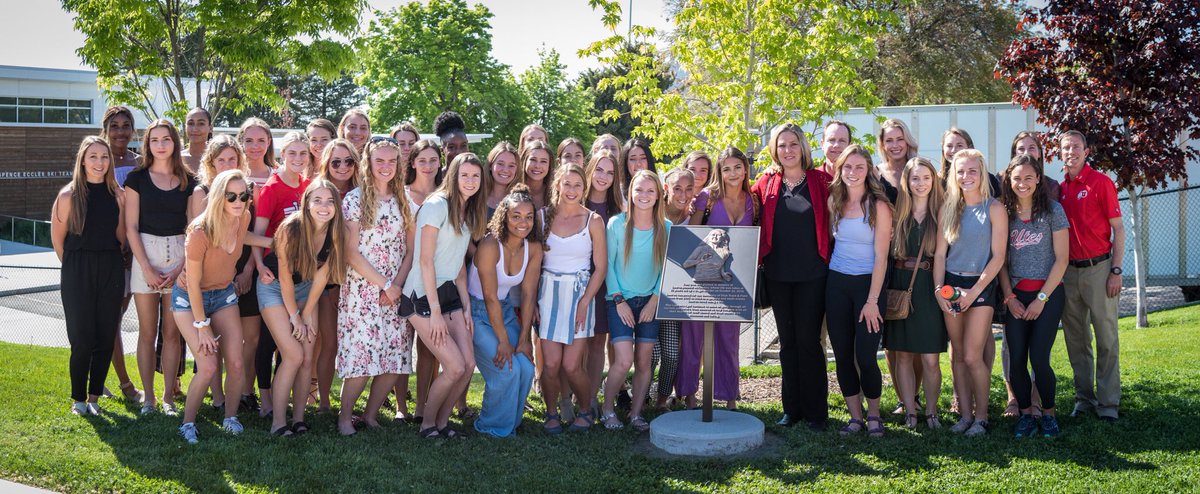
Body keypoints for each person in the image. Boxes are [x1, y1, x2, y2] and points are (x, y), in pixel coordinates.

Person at [171, 169, 272, 444]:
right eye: (231, 196)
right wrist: (202, 326)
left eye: (244, 196)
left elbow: (242, 237)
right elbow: (193, 284)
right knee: (207, 366)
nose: (239, 201)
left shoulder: (243, 217)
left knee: (236, 363)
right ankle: (187, 423)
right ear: (218, 196)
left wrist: (272, 242)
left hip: (223, 294)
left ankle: (230, 417)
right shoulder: (200, 231)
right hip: (190, 299)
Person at [402, 152, 489, 439]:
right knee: (453, 366)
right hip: (421, 296)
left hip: (450, 293)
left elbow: (459, 265)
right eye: (465, 175)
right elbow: (425, 261)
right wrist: (436, 312)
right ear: (453, 176)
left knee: (468, 365)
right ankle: (427, 424)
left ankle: (442, 423)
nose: (470, 181)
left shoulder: (469, 210)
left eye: (475, 176)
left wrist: (466, 307)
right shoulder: (436, 205)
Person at [751, 123, 833, 430]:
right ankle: (791, 409)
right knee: (787, 344)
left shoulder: (821, 181)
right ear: (774, 149)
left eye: (793, 144)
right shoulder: (766, 183)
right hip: (778, 275)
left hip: (813, 275)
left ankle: (816, 413)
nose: (788, 150)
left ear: (803, 147)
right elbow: (742, 206)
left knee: (809, 342)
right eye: (782, 145)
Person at [337, 138, 417, 436]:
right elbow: (350, 252)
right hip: (363, 290)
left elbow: (410, 250)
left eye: (391, 161)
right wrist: (384, 284)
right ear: (368, 163)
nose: (386, 166)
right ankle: (345, 417)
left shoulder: (405, 200)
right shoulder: (355, 200)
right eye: (379, 160)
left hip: (396, 290)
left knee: (394, 357)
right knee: (362, 356)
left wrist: (396, 286)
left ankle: (370, 416)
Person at [259, 179, 346, 436]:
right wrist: (295, 317)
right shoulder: (290, 229)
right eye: (317, 200)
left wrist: (306, 313)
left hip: (307, 289)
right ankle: (278, 422)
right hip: (275, 288)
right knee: (294, 355)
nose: (324, 207)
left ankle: (298, 419)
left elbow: (322, 277)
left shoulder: (337, 232)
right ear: (306, 203)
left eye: (330, 201)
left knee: (308, 357)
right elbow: (285, 277)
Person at [124, 119, 197, 416]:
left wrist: (182, 267)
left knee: (171, 333)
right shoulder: (137, 178)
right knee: (146, 332)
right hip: (145, 254)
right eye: (154, 140)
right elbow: (130, 227)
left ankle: (168, 398)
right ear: (147, 144)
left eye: (166, 139)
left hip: (179, 255)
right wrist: (146, 268)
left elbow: (193, 228)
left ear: (175, 143)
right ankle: (149, 399)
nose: (160, 145)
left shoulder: (188, 180)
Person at [934, 148, 1008, 436]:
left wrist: (973, 292)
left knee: (973, 357)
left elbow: (998, 257)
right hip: (951, 285)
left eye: (972, 171)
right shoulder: (948, 208)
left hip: (981, 287)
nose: (966, 176)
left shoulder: (995, 208)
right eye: (960, 171)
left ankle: (981, 418)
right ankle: (965, 416)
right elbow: (940, 255)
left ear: (981, 173)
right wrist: (938, 289)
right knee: (958, 355)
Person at [51, 136, 126, 416]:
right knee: (81, 337)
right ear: (82, 160)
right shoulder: (68, 196)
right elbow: (58, 241)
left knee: (106, 335)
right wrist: (77, 267)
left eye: (104, 157)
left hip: (110, 266)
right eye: (93, 156)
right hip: (77, 269)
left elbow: (121, 237)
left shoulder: (118, 196)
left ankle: (94, 397)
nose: (99, 162)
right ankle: (79, 399)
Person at [680, 146, 758, 410]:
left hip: (732, 281)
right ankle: (689, 394)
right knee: (693, 337)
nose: (732, 173)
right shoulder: (708, 197)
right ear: (720, 172)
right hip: (701, 280)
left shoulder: (752, 200)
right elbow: (691, 234)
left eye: (737, 167)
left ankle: (729, 396)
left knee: (728, 338)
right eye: (726, 169)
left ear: (745, 169)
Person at [998, 154, 1069, 437]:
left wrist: (1041, 299)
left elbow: (1062, 260)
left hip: (1048, 295)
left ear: (1038, 178)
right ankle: (1026, 414)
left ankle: (1048, 414)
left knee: (1039, 358)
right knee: (1016, 360)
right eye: (1017, 178)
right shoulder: (1004, 214)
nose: (1022, 183)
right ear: (1009, 181)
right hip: (1016, 297)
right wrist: (1009, 297)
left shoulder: (1053, 211)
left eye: (1028, 177)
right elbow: (1001, 263)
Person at [825, 145, 893, 437]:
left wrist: (872, 301)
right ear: (840, 170)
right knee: (842, 355)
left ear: (868, 171)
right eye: (847, 167)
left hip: (868, 286)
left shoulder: (878, 206)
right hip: (837, 284)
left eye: (859, 167)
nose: (852, 172)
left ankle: (874, 415)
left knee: (865, 357)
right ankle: (855, 417)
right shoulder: (834, 200)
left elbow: (882, 257)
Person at [1057, 130, 1123, 422]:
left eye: (1075, 147)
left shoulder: (1101, 182)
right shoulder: (1060, 189)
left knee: (1106, 339)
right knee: (1076, 340)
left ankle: (1108, 404)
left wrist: (1116, 270)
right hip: (1069, 273)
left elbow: (1118, 229)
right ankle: (1084, 399)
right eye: (1065, 148)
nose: (1070, 152)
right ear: (1060, 153)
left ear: (1086, 152)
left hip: (1099, 270)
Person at [536, 164, 607, 433]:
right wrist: (532, 304)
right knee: (551, 364)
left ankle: (586, 410)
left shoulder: (593, 221)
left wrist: (585, 302)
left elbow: (600, 268)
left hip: (580, 296)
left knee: (571, 365)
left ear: (584, 188)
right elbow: (534, 264)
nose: (572, 190)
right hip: (548, 294)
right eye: (567, 184)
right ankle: (551, 413)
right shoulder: (542, 217)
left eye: (578, 185)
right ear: (557, 184)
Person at [469, 184, 542, 437]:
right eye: (516, 216)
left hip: (506, 311)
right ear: (504, 216)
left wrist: (524, 340)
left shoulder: (533, 248)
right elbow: (489, 297)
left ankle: (510, 422)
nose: (523, 223)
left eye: (529, 217)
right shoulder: (490, 245)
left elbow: (529, 294)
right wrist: (503, 341)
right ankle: (490, 426)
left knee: (527, 368)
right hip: (477, 313)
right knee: (507, 369)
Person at [601, 170, 671, 432]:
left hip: (650, 302)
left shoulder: (666, 227)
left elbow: (667, 269)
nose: (644, 195)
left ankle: (636, 413)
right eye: (639, 189)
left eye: (650, 191)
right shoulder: (617, 224)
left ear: (658, 195)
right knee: (622, 360)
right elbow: (608, 265)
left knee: (644, 361)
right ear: (630, 193)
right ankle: (607, 410)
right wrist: (619, 300)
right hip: (619, 301)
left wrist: (655, 300)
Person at [883, 157, 948, 429]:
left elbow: (941, 255)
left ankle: (931, 412)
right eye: (915, 178)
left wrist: (939, 289)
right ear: (906, 182)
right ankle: (910, 411)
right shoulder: (895, 212)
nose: (921, 183)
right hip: (901, 285)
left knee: (931, 358)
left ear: (934, 180)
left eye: (926, 178)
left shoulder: (942, 212)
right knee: (903, 355)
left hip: (929, 286)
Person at [251, 131, 312, 418]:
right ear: (282, 155)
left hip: (302, 275)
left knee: (290, 345)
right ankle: (266, 399)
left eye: (303, 153)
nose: (298, 158)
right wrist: (259, 265)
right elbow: (255, 234)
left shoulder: (308, 187)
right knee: (269, 340)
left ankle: (281, 398)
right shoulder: (272, 188)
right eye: (292, 153)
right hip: (274, 272)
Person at [188, 135, 252, 408]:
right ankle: (216, 398)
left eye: (232, 158)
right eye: (221, 159)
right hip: (198, 281)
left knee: (234, 350)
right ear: (211, 163)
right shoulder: (201, 195)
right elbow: (197, 237)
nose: (227, 164)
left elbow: (242, 235)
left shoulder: (243, 196)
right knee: (210, 352)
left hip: (228, 280)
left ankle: (231, 408)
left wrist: (277, 243)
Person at [96, 106, 143, 403]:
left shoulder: (140, 164)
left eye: (126, 125)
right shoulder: (98, 162)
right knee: (110, 319)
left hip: (137, 250)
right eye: (114, 126)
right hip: (107, 250)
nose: (121, 131)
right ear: (105, 129)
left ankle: (97, 378)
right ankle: (125, 385)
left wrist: (132, 247)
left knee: (117, 317)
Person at [313, 138, 360, 413]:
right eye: (336, 162)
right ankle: (324, 401)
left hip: (359, 281)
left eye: (348, 161)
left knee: (356, 344)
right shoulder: (317, 192)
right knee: (329, 343)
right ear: (326, 164)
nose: (343, 166)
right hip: (326, 280)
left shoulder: (364, 193)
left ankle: (352, 400)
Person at [236, 118, 276, 412]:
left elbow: (261, 231)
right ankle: (232, 391)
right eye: (248, 140)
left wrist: (251, 268)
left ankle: (251, 391)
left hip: (262, 264)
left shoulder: (276, 177)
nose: (254, 146)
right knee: (231, 335)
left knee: (257, 337)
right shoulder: (234, 177)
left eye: (261, 140)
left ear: (269, 143)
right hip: (228, 263)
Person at [582, 150, 624, 418]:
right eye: (599, 169)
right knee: (576, 342)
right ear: (590, 170)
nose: (603, 177)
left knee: (597, 341)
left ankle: (590, 398)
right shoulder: (576, 200)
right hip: (577, 279)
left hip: (605, 283)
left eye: (610, 172)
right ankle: (570, 397)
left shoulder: (618, 211)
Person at [406, 139, 444, 423]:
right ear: (413, 162)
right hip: (404, 275)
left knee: (429, 346)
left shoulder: (446, 195)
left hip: (435, 277)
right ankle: (401, 405)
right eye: (422, 160)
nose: (428, 166)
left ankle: (424, 404)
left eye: (433, 160)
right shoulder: (402, 194)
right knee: (402, 344)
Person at [652, 167, 695, 411]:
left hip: (674, 296)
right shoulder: (654, 213)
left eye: (689, 189)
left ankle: (661, 399)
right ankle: (641, 396)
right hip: (648, 294)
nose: (683, 194)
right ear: (666, 189)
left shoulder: (694, 217)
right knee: (651, 354)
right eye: (678, 188)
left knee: (671, 354)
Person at [876, 118, 917, 202]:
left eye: (900, 139)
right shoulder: (875, 174)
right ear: (882, 144)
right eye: (889, 140)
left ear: (907, 141)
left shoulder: (920, 169)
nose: (895, 145)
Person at [484, 142, 522, 216]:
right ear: (490, 165)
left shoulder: (521, 200)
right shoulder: (477, 196)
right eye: (500, 164)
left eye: (511, 165)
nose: (505, 170)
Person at [521, 140, 555, 209]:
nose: (537, 166)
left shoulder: (555, 194)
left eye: (543, 161)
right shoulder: (510, 190)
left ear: (549, 166)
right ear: (524, 161)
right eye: (533, 160)